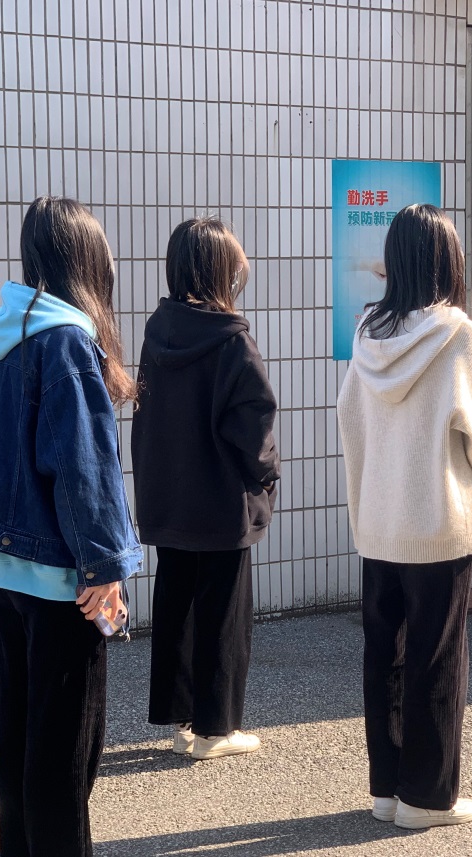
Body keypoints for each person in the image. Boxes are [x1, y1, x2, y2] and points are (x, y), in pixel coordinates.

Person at [0, 197, 142, 857]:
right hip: (64, 572)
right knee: (66, 749)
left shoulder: (6, 334)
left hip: (11, 565)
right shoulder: (66, 339)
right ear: (87, 260)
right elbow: (82, 465)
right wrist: (105, 567)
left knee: (20, 728)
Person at [337, 204, 472, 830]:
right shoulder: (458, 336)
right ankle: (427, 799)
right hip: (439, 521)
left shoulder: (367, 333)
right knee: (439, 657)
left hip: (381, 521)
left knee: (386, 655)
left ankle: (387, 789)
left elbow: (350, 424)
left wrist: (367, 501)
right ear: (446, 260)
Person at [131, 217, 278, 760]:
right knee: (223, 613)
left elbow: (147, 421)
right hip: (221, 503)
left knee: (177, 605)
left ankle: (182, 722)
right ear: (220, 270)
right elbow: (255, 428)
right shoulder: (232, 340)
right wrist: (267, 478)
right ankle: (217, 729)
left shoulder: (157, 332)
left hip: (169, 500)